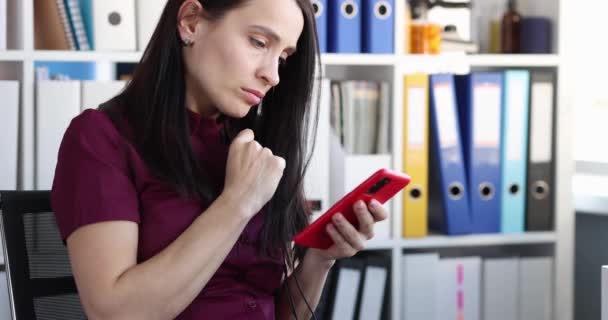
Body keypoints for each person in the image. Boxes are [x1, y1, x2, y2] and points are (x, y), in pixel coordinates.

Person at [51, 0, 388, 319]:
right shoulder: (100, 138)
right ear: (191, 22)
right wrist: (237, 204)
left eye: (283, 58)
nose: (273, 75)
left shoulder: (255, 148)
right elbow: (115, 313)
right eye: (258, 42)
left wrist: (319, 259)